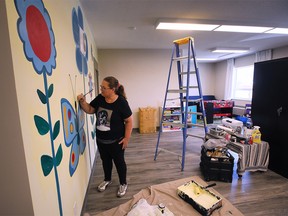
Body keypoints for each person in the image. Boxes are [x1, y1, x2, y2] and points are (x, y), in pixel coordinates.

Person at [77, 76, 133, 197]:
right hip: (101, 140)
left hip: (116, 142)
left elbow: (129, 121)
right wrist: (82, 101)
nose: (101, 89)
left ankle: (123, 183)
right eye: (101, 87)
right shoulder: (100, 98)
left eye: (104, 87)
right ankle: (107, 179)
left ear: (113, 89)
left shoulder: (121, 102)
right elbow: (91, 109)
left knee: (119, 163)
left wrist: (126, 139)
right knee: (105, 162)